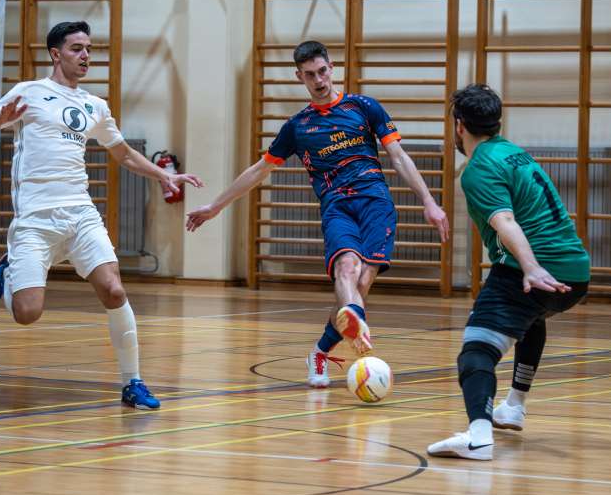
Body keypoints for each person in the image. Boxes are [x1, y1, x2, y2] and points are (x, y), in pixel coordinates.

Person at [186, 40, 449, 387]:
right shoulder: (298, 126)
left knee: (361, 283)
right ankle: (357, 330)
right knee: (346, 269)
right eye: (310, 75)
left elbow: (398, 157)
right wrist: (215, 206)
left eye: (322, 71)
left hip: (376, 204)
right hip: (337, 207)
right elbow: (258, 170)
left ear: (332, 68)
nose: (319, 80)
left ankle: (322, 350)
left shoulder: (363, 107)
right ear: (300, 78)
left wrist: (429, 201)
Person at [0, 21, 202, 410]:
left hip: (80, 213)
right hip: (35, 219)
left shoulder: (95, 106)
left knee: (114, 289)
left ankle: (132, 382)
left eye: (89, 49)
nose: (86, 56)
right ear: (55, 53)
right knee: (27, 314)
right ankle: (8, 273)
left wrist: (164, 173)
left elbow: (124, 153)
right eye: (77, 48)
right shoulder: (29, 92)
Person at [427, 84, 590, 460]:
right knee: (530, 318)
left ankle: (479, 435)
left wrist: (531, 269)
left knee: (476, 352)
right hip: (576, 272)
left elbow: (504, 221)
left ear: (459, 125)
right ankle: (513, 406)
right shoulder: (515, 153)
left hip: (532, 269)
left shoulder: (478, 169)